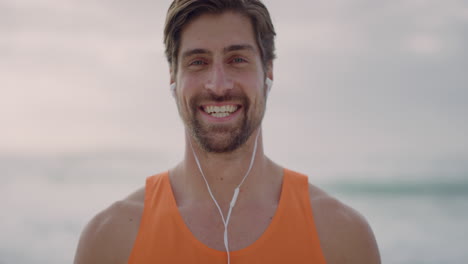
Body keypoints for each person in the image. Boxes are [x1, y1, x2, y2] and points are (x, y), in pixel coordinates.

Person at [74, 0, 381, 263]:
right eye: (198, 62)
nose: (218, 85)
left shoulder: (342, 238)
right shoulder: (111, 241)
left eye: (237, 60)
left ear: (268, 71)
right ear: (173, 75)